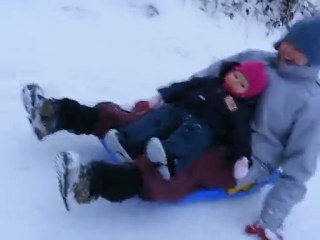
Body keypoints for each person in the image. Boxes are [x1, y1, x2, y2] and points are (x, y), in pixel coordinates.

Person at [21, 16, 320, 240]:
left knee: (181, 166)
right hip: (208, 116)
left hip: (244, 156)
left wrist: (272, 219)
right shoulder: (255, 58)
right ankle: (57, 115)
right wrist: (178, 99)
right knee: (137, 117)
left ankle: (90, 182)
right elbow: (209, 75)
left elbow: (300, 168)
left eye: (299, 48)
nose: (288, 48)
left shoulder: (310, 102)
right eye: (290, 40)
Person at [103, 61, 267, 180]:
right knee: (161, 117)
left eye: (242, 84)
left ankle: (169, 158)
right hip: (181, 110)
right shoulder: (209, 82)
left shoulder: (239, 109)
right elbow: (184, 86)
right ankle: (127, 142)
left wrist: (242, 158)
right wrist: (162, 96)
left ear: (247, 94)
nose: (235, 81)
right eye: (236, 75)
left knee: (192, 136)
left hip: (206, 126)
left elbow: (242, 132)